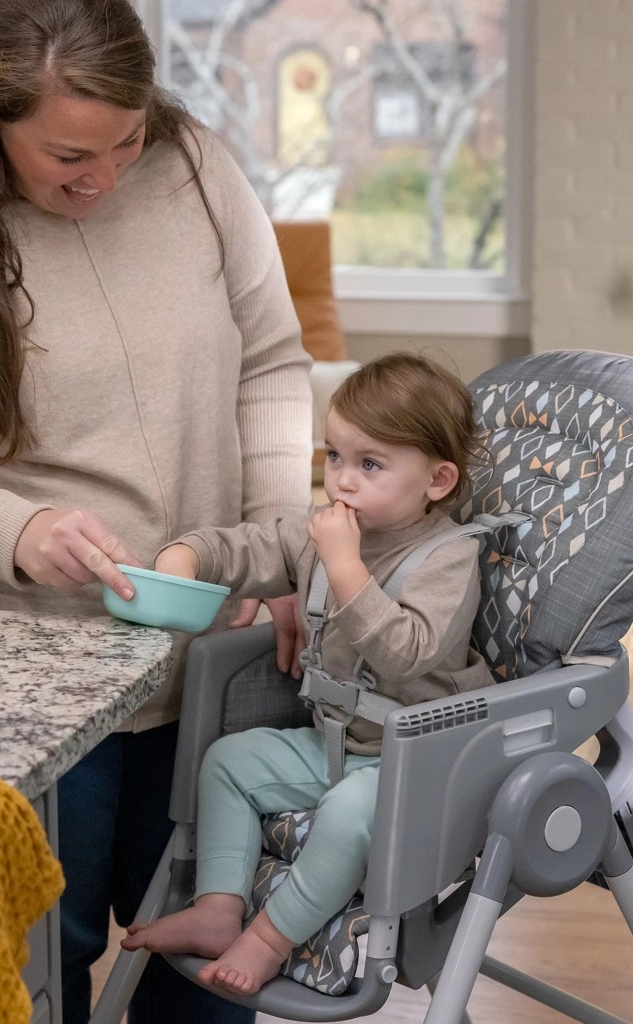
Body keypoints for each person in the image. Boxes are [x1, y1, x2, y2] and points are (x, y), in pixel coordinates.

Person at [0, 2, 314, 1022]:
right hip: (9, 678)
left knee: (211, 979)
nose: (106, 177)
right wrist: (19, 531)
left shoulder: (196, 169)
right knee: (41, 967)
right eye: (69, 154)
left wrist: (279, 554)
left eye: (126, 140)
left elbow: (269, 365)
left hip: (202, 667)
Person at [121, 352, 495, 996]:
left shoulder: (448, 558)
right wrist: (188, 554)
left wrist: (345, 566)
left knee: (348, 811)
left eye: (370, 464)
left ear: (436, 480)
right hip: (339, 745)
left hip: (420, 764)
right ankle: (218, 908)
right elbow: (250, 546)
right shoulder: (318, 532)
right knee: (228, 761)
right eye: (335, 456)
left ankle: (269, 938)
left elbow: (406, 651)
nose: (343, 480)